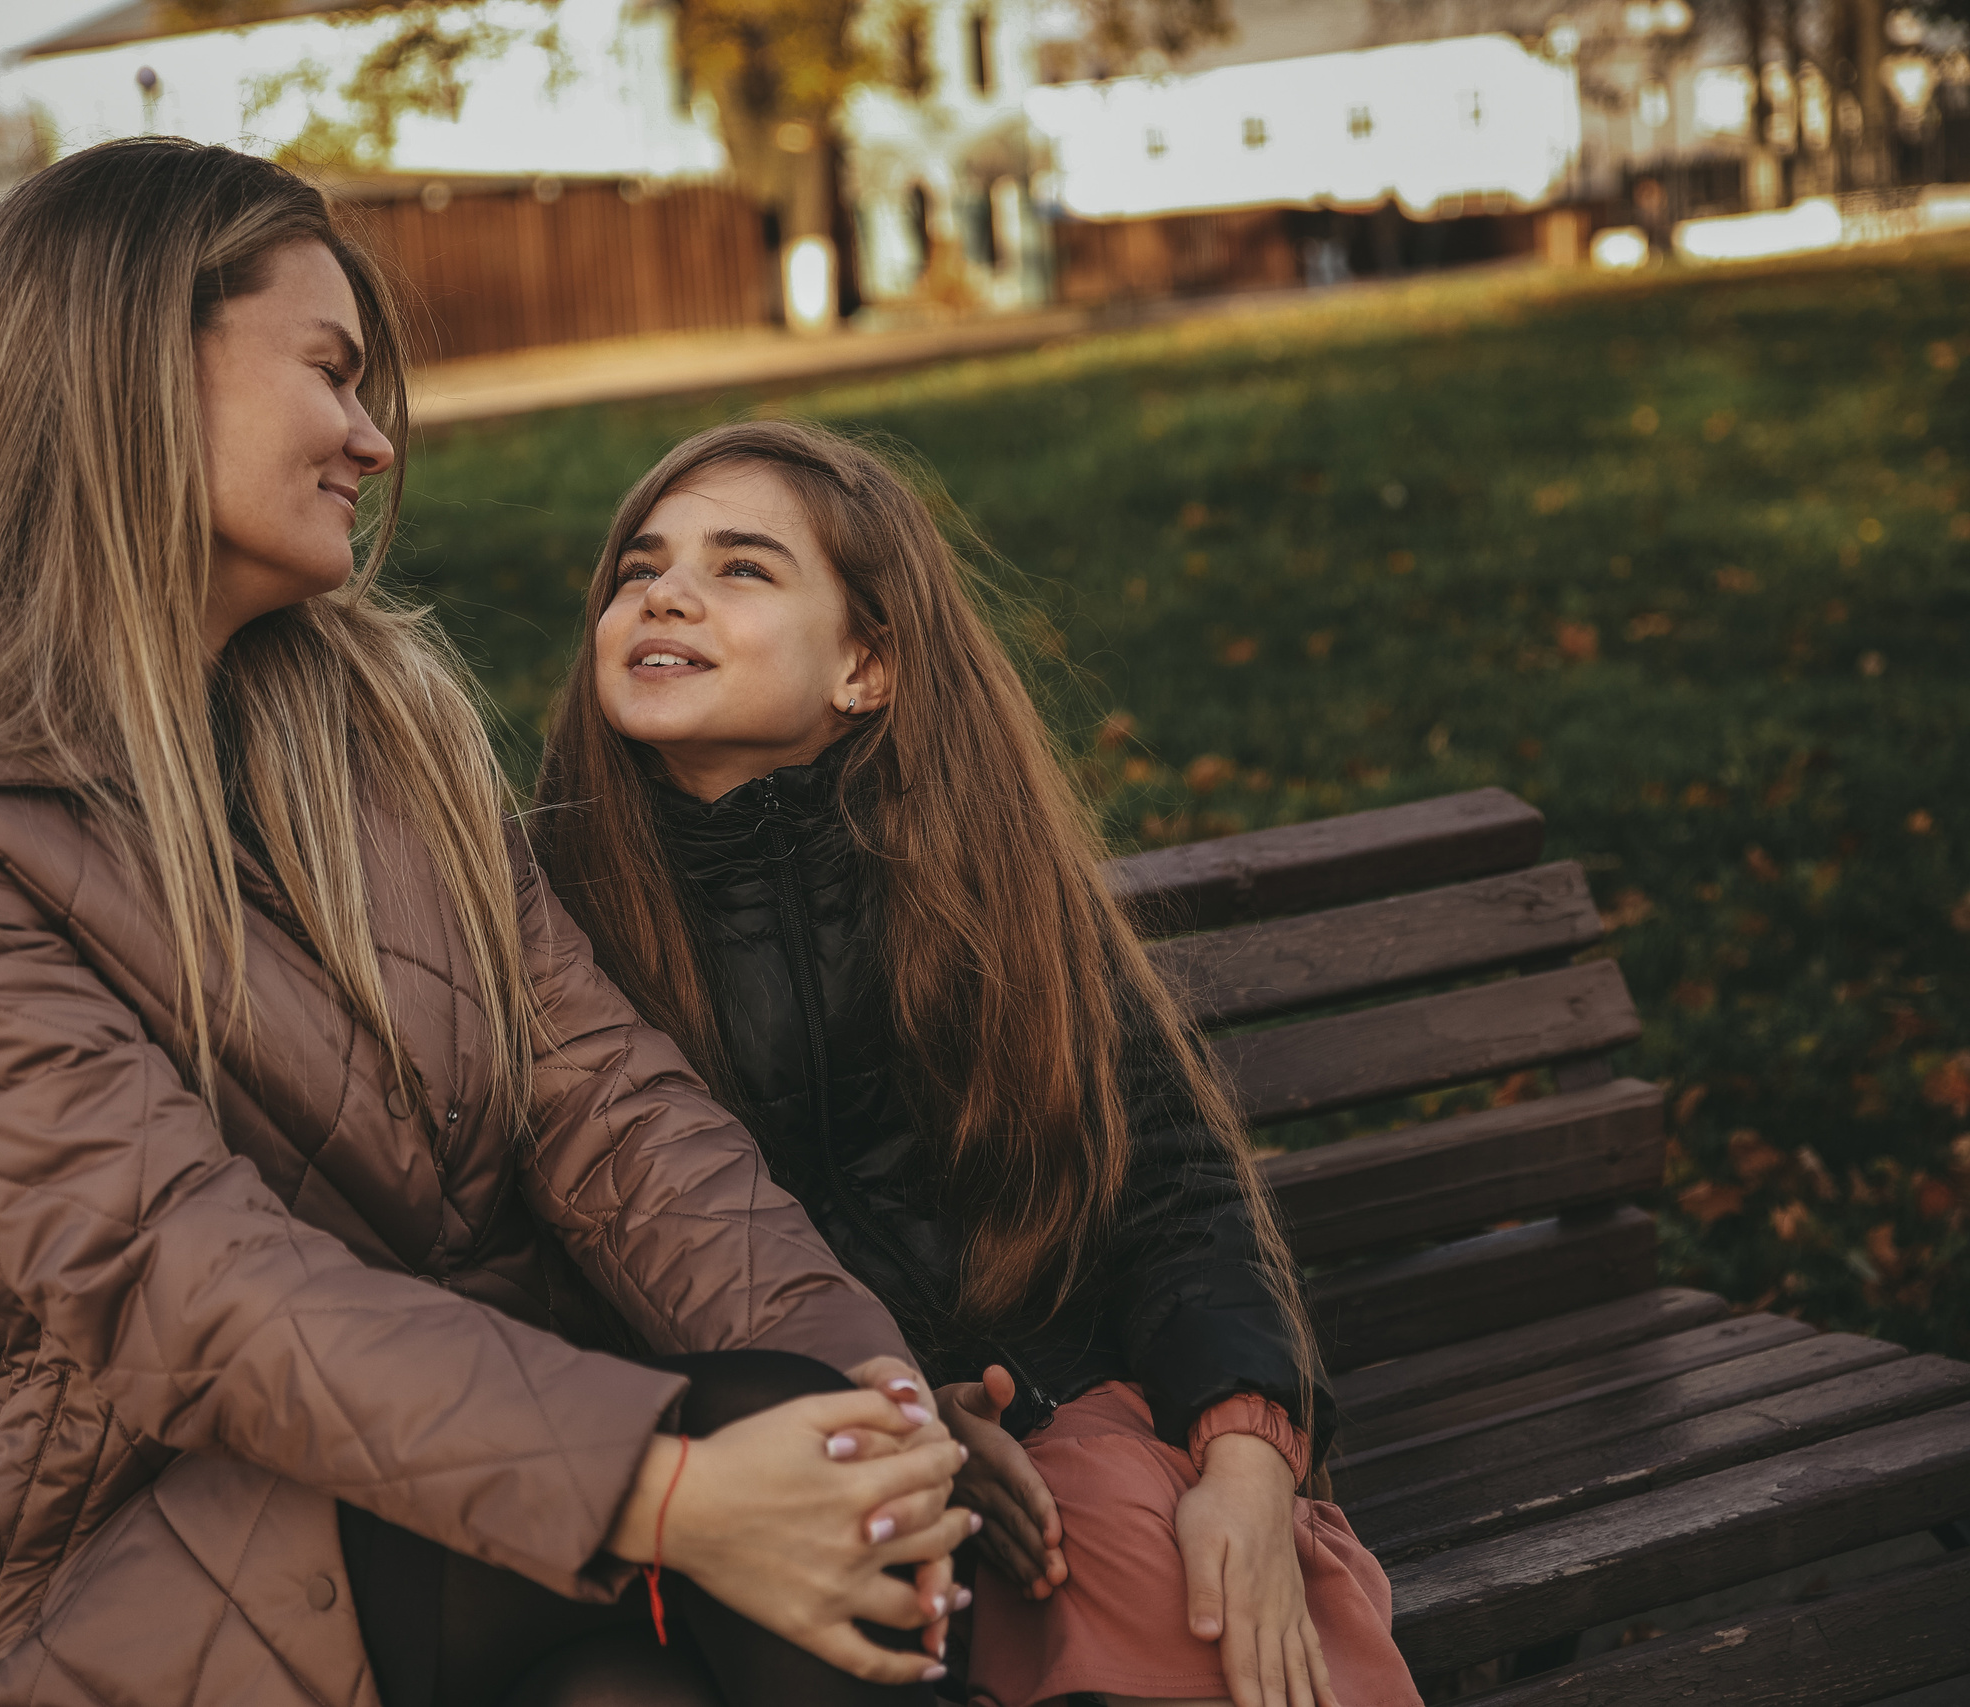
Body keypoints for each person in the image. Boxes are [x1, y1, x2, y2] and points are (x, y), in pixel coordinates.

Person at [0, 141, 977, 1707]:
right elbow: (184, 1281)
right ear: (137, 363)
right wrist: (673, 1484)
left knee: (768, 1543)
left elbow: (614, 1111)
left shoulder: (384, 725)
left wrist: (869, 1390)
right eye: (331, 371)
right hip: (169, 1550)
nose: (374, 438)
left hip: (522, 1504)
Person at [530, 420, 1424, 1707]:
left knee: (1167, 1567)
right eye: (639, 567)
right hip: (778, 1466)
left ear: (866, 666)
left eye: (740, 567)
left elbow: (1173, 1189)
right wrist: (914, 1418)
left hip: (1069, 1402)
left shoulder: (982, 881)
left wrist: (1243, 1457)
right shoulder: (552, 919)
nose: (664, 592)